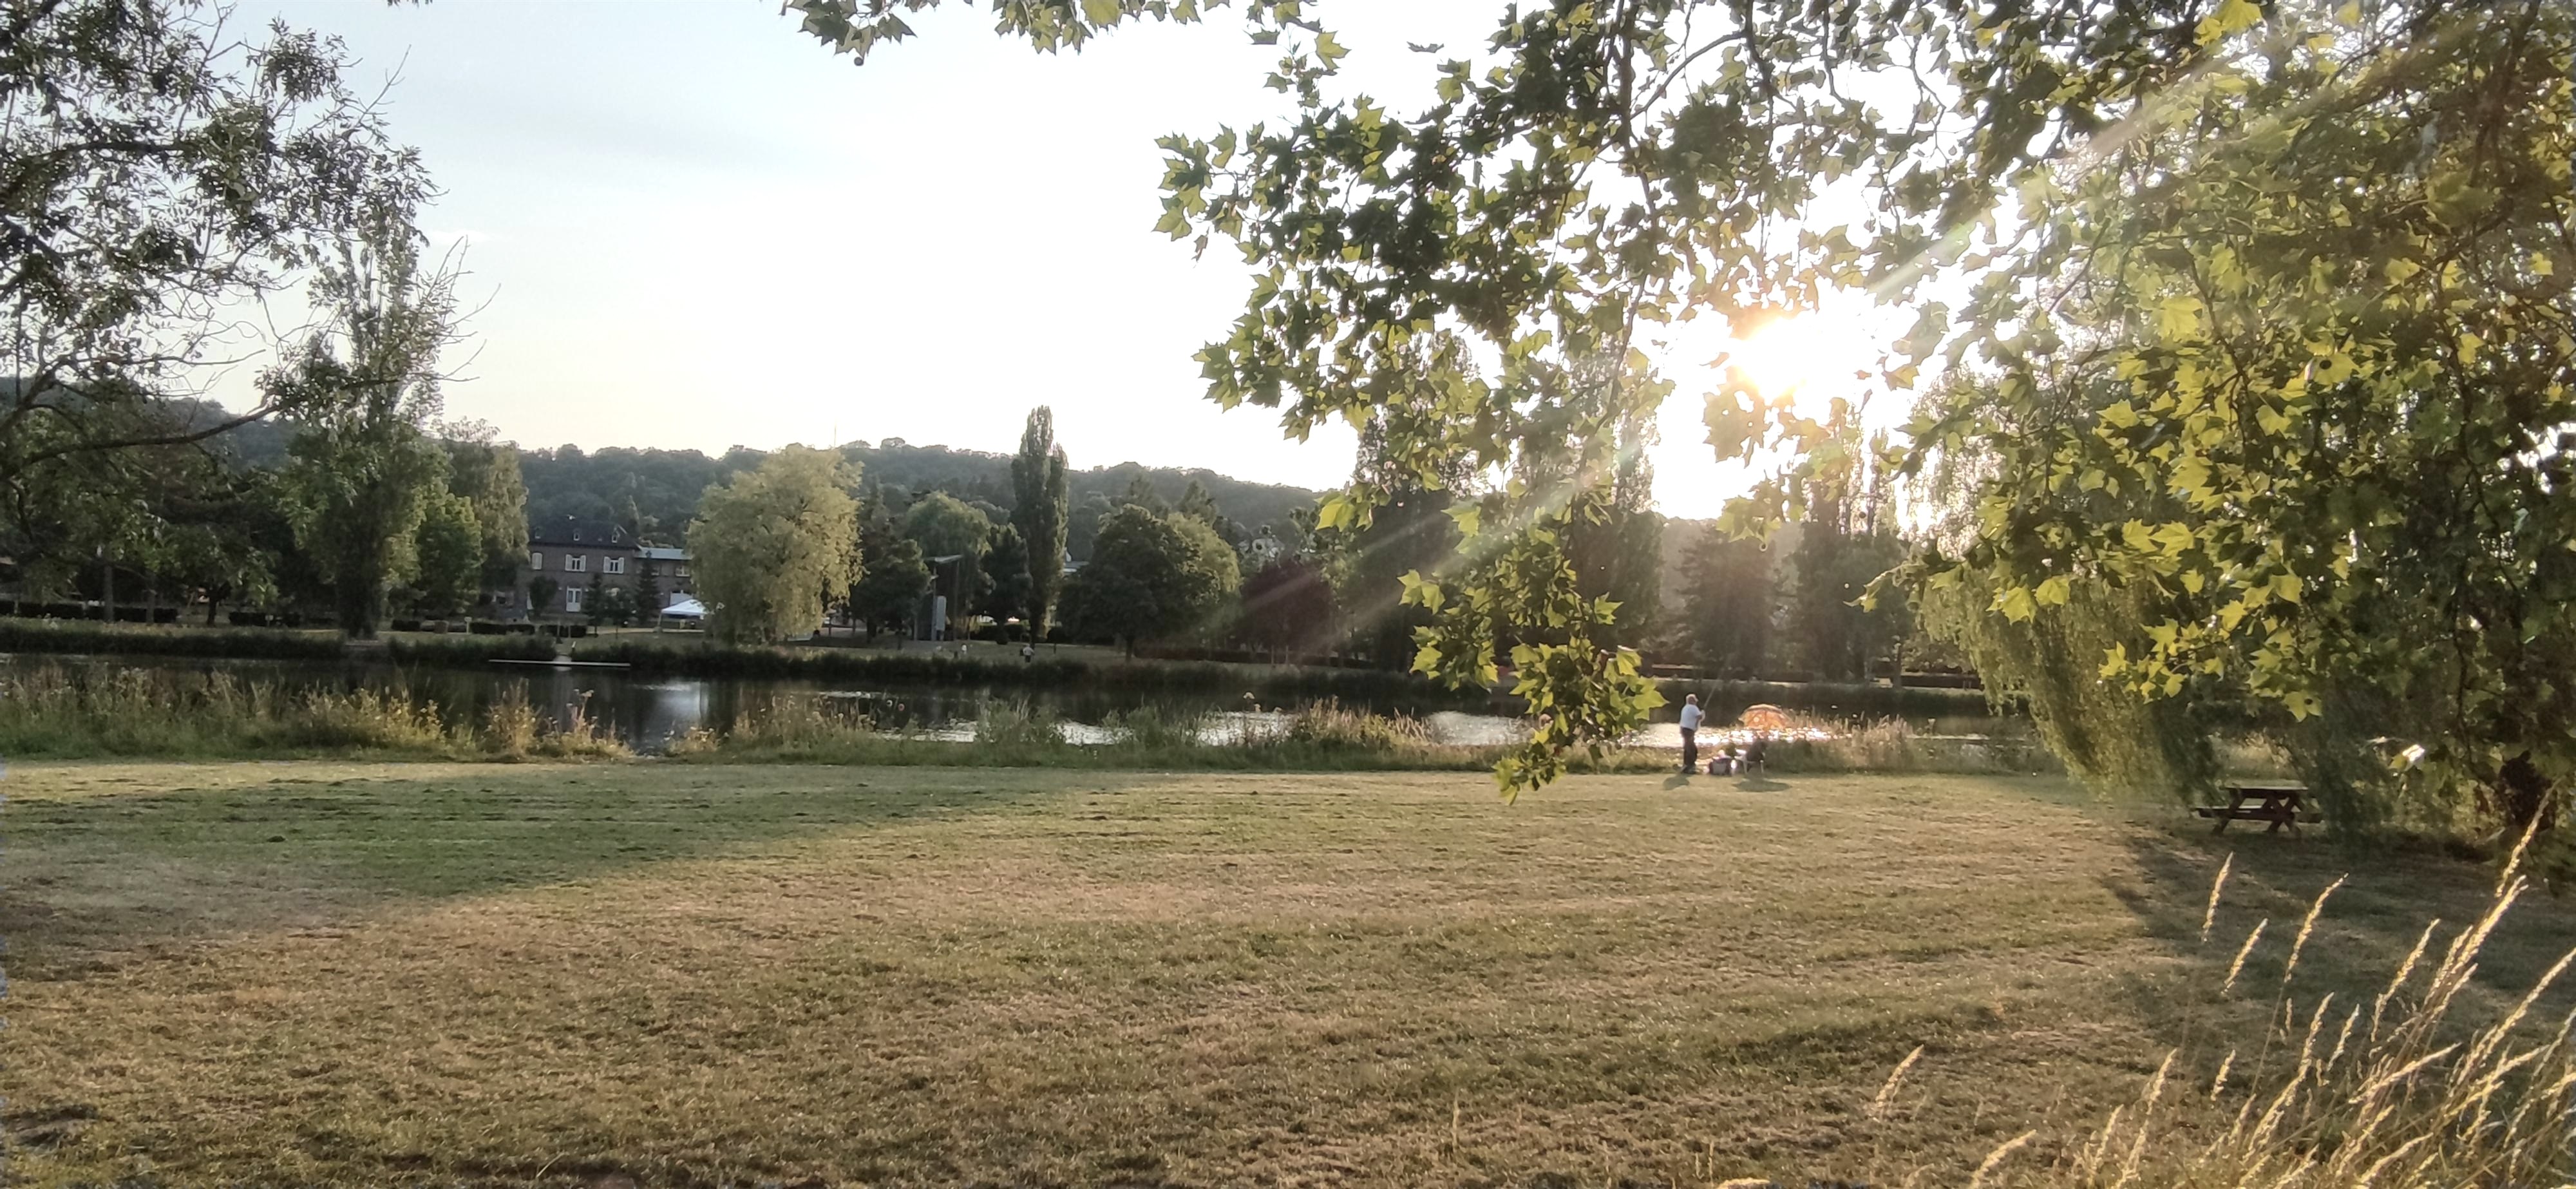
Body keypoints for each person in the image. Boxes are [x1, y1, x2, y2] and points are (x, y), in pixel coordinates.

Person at [1676, 694, 1703, 774]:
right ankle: (1690, 765)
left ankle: (1686, 764)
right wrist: (1703, 713)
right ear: (1692, 701)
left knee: (1688, 747)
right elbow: (1699, 717)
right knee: (1691, 748)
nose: (1696, 702)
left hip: (1684, 729)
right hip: (1689, 730)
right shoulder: (1693, 708)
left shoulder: (1685, 708)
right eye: (1695, 700)